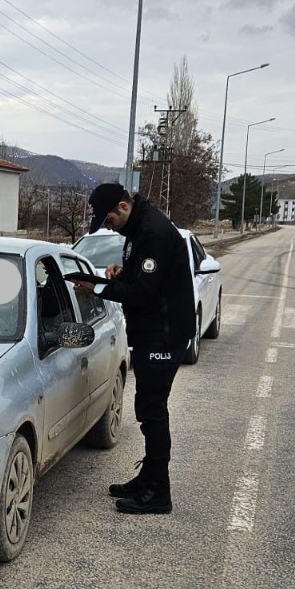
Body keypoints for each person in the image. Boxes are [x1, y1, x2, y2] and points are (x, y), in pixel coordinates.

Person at [75, 183, 196, 514]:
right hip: (151, 331)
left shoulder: (153, 231)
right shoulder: (139, 228)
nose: (108, 226)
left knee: (152, 410)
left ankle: (159, 492)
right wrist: (119, 273)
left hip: (164, 334)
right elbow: (144, 277)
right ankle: (148, 478)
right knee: (149, 409)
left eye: (109, 219)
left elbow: (144, 293)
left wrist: (99, 287)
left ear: (123, 207)